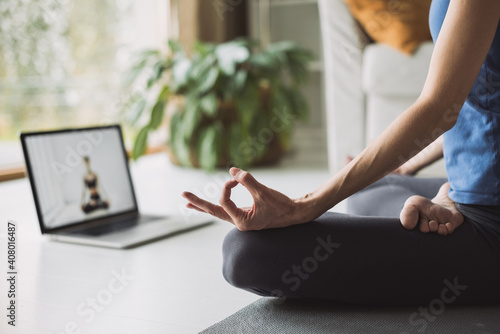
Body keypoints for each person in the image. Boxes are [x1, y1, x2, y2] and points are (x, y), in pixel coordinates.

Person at [182, 0, 500, 305]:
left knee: (245, 252)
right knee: (372, 189)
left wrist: (306, 205)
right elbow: (480, 103)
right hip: (469, 191)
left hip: (490, 222)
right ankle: (442, 199)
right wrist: (412, 168)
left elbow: (442, 108)